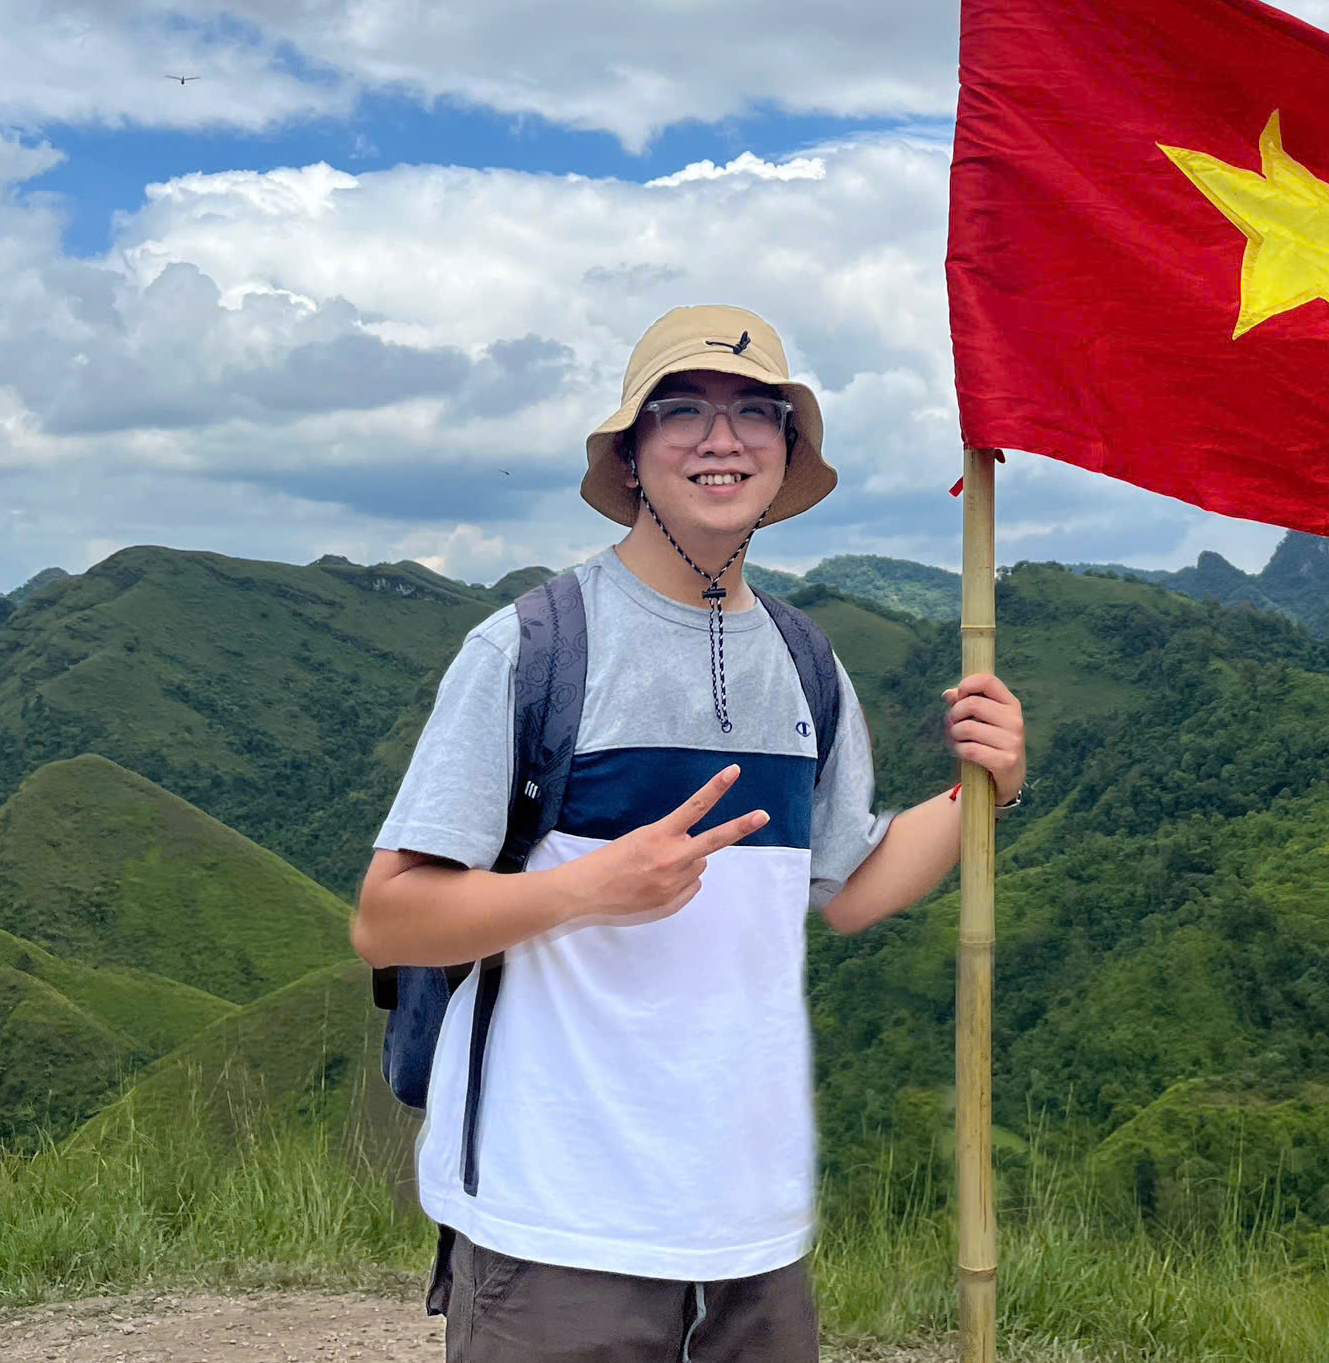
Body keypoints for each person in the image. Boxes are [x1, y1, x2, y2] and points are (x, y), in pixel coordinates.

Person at [351, 304, 1026, 1363]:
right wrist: (589, 888)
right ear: (631, 453)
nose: (724, 439)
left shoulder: (806, 662)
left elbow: (848, 888)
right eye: (683, 411)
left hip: (751, 1227)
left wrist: (980, 791)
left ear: (787, 450)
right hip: (556, 1221)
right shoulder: (533, 648)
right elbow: (388, 919)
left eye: (756, 412)